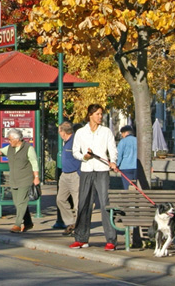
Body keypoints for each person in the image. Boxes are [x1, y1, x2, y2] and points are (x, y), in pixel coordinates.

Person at [70, 104, 119, 251]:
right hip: (86, 170)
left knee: (105, 204)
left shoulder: (106, 132)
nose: (100, 117)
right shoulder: (80, 132)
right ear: (90, 115)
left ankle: (111, 240)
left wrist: (113, 162)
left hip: (102, 170)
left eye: (101, 114)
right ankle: (81, 238)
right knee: (83, 203)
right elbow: (75, 152)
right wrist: (84, 157)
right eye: (97, 114)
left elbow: (112, 150)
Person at [0, 128, 40, 233]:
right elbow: (1, 151)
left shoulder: (28, 148)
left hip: (26, 178)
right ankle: (28, 223)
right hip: (14, 179)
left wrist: (36, 177)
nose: (8, 141)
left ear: (17, 139)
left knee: (21, 202)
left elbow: (34, 162)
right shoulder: (9, 148)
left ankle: (17, 225)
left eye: (10, 139)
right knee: (17, 202)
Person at [56, 121, 81, 236]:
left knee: (77, 203)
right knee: (60, 199)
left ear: (62, 131)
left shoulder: (76, 141)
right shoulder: (65, 142)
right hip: (65, 174)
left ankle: (79, 226)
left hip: (75, 175)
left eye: (59, 130)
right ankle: (70, 222)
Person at [115, 125, 137, 190]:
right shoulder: (137, 140)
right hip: (136, 166)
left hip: (125, 167)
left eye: (122, 134)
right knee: (136, 185)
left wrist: (117, 165)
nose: (122, 135)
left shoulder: (123, 142)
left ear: (125, 133)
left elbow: (119, 155)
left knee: (127, 186)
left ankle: (128, 198)